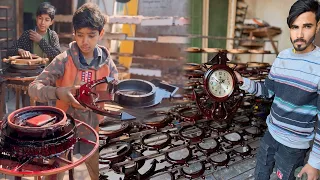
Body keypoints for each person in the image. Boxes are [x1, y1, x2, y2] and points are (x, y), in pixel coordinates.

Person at [28, 2, 118, 180]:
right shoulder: (63, 60)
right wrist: (59, 92)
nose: (85, 41)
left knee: (99, 172)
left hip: (94, 130)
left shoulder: (107, 63)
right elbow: (33, 88)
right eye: (80, 35)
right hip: (64, 129)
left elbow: (115, 90)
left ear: (100, 34)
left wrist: (104, 99)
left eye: (91, 36)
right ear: (74, 33)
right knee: (55, 174)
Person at [235, 0, 320, 179]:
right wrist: (243, 81)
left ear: (318, 26)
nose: (300, 34)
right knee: (260, 174)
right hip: (271, 134)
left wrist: (314, 162)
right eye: (294, 27)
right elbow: (268, 91)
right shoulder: (282, 58)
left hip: (294, 147)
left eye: (307, 26)